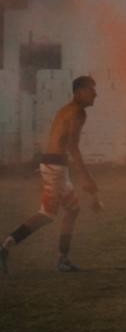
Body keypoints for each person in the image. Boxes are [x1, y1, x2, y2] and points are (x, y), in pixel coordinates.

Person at [1, 76, 100, 275]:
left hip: (56, 166)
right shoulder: (77, 112)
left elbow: (65, 145)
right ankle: (5, 247)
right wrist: (87, 178)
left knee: (72, 210)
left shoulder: (68, 109)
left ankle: (63, 260)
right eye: (91, 90)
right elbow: (73, 147)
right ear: (79, 91)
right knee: (47, 214)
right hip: (54, 167)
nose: (95, 94)